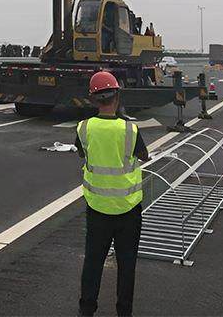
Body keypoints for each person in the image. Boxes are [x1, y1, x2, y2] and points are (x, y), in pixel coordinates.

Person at [76, 71, 149, 317]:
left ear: (94, 99)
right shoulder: (130, 129)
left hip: (97, 208)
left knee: (93, 262)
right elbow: (144, 155)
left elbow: (81, 153)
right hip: (128, 209)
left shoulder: (84, 128)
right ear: (117, 96)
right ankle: (124, 312)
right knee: (126, 265)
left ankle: (86, 310)